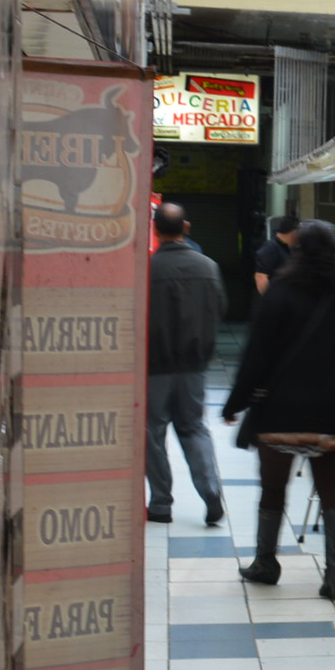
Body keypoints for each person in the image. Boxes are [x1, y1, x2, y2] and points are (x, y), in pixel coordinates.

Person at [224, 220, 335, 600]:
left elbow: (258, 354)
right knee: (331, 490)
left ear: (298, 249)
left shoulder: (280, 291)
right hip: (332, 408)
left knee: (273, 488)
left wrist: (235, 402)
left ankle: (266, 563)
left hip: (280, 410)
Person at [146, 203, 227, 526]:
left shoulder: (148, 269)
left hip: (155, 368)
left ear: (155, 230)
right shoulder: (209, 267)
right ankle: (211, 493)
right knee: (194, 429)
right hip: (194, 366)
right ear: (187, 227)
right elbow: (219, 308)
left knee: (153, 432)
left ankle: (162, 503)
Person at [253, 214, 299, 293]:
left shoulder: (289, 249)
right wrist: (271, 300)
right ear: (294, 232)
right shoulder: (270, 248)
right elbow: (260, 277)